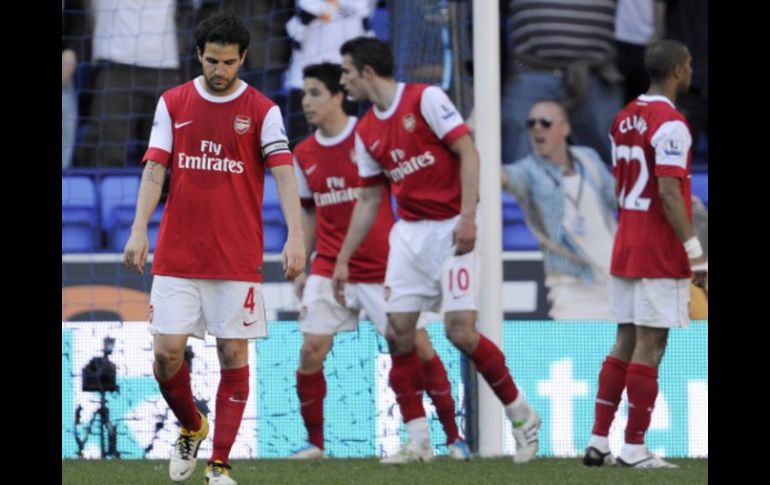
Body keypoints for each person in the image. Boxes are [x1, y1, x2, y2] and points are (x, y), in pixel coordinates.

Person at [332, 37, 541, 464]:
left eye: (347, 71)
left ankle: (521, 414)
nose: (343, 81)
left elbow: (467, 151)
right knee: (398, 333)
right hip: (409, 236)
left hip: (451, 227)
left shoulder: (425, 99)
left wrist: (468, 216)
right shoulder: (366, 131)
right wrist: (342, 260)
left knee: (459, 331)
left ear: (367, 73)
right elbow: (370, 199)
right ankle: (419, 442)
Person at [122, 11, 305, 484]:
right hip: (179, 253)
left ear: (243, 57)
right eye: (210, 61)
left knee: (233, 355)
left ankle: (220, 464)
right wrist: (139, 229)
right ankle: (192, 425)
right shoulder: (173, 102)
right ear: (198, 56)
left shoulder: (263, 110)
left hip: (236, 255)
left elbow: (284, 172)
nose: (219, 71)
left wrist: (296, 234)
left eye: (227, 62)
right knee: (166, 353)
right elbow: (155, 168)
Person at [288, 63, 470, 461]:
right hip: (330, 265)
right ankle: (314, 444)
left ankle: (454, 438)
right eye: (303, 94)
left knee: (418, 347)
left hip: (383, 266)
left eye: (315, 92)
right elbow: (309, 212)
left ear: (339, 95)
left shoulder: (369, 135)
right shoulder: (302, 154)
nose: (306, 102)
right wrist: (304, 262)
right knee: (309, 351)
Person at [582, 39, 707, 469]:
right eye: (689, 64)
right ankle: (634, 447)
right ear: (676, 71)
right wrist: (697, 253)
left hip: (626, 244)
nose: (691, 70)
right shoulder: (671, 123)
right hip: (657, 248)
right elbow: (669, 191)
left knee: (625, 339)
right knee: (651, 344)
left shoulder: (623, 118)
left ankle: (598, 441)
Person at [501, 100, 617, 320]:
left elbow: (618, 197)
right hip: (572, 285)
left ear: (565, 128)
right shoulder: (528, 170)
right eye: (531, 123)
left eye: (545, 122)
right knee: (576, 350)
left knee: (623, 352)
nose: (537, 128)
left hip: (615, 278)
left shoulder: (588, 157)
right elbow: (504, 177)